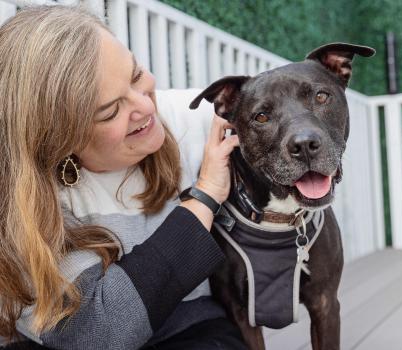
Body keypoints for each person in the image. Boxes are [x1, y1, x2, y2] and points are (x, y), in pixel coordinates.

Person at [0, 5, 246, 350]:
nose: (146, 107)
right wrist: (205, 196)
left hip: (188, 326)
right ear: (60, 139)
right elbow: (98, 332)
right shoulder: (20, 204)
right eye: (111, 110)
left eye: (135, 75)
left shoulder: (198, 121)